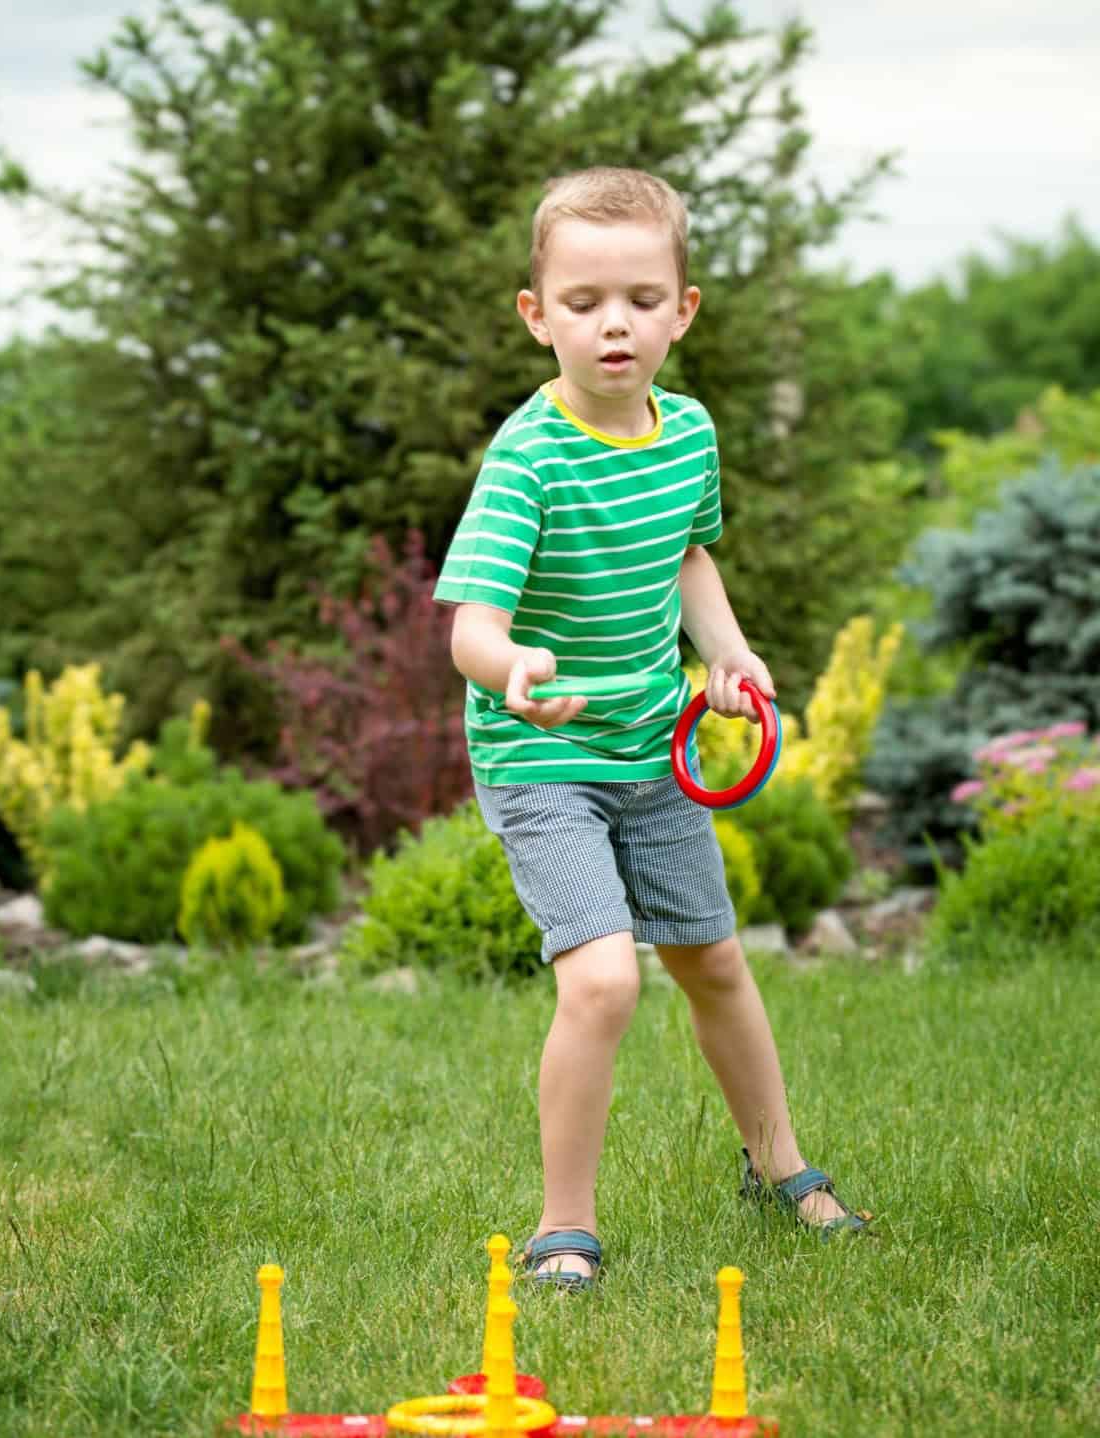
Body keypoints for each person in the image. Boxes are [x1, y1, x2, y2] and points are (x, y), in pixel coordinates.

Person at [432, 167, 870, 1290]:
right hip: (544, 754)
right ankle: (563, 1228)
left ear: (684, 308)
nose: (612, 322)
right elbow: (470, 626)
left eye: (638, 297)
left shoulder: (687, 434)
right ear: (537, 316)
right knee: (604, 982)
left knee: (715, 960)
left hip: (648, 741)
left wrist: (725, 653)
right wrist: (515, 667)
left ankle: (779, 1167)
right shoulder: (529, 456)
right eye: (582, 302)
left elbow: (686, 552)